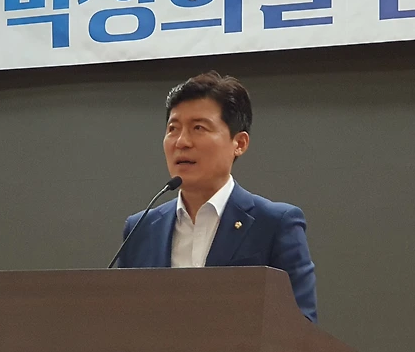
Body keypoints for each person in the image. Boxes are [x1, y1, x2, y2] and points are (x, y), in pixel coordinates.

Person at [115, 71, 318, 323]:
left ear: (239, 143)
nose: (182, 141)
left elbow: (301, 325)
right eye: (173, 129)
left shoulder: (274, 224)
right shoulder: (140, 229)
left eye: (198, 128)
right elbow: (122, 323)